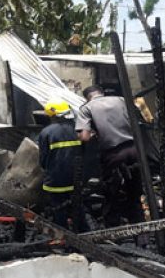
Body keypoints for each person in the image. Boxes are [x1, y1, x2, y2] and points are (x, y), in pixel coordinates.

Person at [76, 85, 145, 227]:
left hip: (113, 155)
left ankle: (113, 232)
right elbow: (140, 119)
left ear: (87, 97)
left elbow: (84, 137)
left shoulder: (86, 108)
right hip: (135, 150)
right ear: (102, 93)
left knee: (111, 194)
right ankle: (141, 231)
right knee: (134, 194)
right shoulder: (121, 100)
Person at [38, 98, 89, 232]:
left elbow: (43, 160)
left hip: (55, 181)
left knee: (58, 211)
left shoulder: (46, 132)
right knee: (78, 208)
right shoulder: (77, 130)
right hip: (76, 180)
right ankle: (85, 236)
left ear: (51, 115)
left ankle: (64, 239)